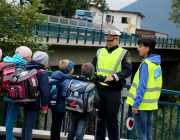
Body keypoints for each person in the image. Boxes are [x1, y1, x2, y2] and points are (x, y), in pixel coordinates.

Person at [92, 29, 132, 140]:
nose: (109, 42)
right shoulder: (99, 51)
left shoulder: (124, 53)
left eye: (111, 40)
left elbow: (128, 70)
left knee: (112, 119)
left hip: (113, 90)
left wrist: (114, 77)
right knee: (99, 118)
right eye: (107, 40)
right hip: (99, 88)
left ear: (117, 39)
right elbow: (92, 67)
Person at [126, 37, 162, 140]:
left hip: (141, 104)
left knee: (141, 135)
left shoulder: (146, 64)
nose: (138, 49)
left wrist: (135, 104)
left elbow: (142, 86)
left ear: (147, 48)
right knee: (148, 134)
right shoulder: (156, 64)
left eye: (140, 46)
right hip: (151, 104)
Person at [3, 46, 32, 140]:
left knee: (8, 115)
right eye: (30, 56)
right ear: (27, 57)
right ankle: (9, 137)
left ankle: (9, 136)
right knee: (12, 116)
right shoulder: (22, 66)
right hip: (16, 96)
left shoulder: (10, 62)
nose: (31, 58)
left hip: (7, 93)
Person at [21, 51, 49, 140]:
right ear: (43, 62)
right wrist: (45, 106)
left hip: (25, 99)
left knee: (25, 123)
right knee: (29, 125)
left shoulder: (27, 68)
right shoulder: (42, 72)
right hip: (35, 101)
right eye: (47, 61)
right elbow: (45, 90)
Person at [67, 62, 99, 140]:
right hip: (84, 112)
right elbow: (96, 99)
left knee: (71, 130)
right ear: (92, 74)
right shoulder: (90, 85)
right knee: (79, 133)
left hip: (73, 109)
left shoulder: (74, 81)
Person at [50, 59, 74, 140]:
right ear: (69, 70)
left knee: (54, 125)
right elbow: (65, 94)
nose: (73, 69)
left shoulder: (55, 76)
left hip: (53, 104)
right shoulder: (66, 80)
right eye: (72, 67)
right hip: (60, 106)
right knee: (58, 126)